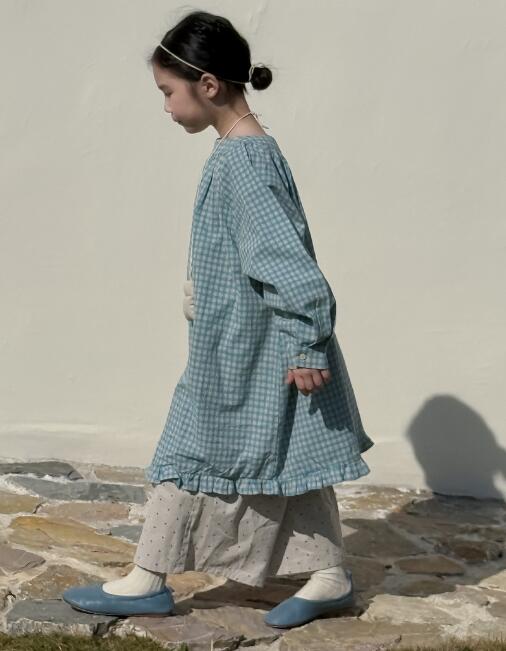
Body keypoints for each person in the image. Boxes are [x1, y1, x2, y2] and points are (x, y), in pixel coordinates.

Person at [63, 9, 374, 629]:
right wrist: (204, 291)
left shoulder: (243, 161)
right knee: (292, 451)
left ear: (208, 84)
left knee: (186, 447)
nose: (165, 106)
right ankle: (329, 575)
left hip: (250, 347)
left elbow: (285, 260)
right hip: (244, 336)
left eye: (167, 92)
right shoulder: (245, 151)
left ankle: (147, 579)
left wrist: (307, 342)